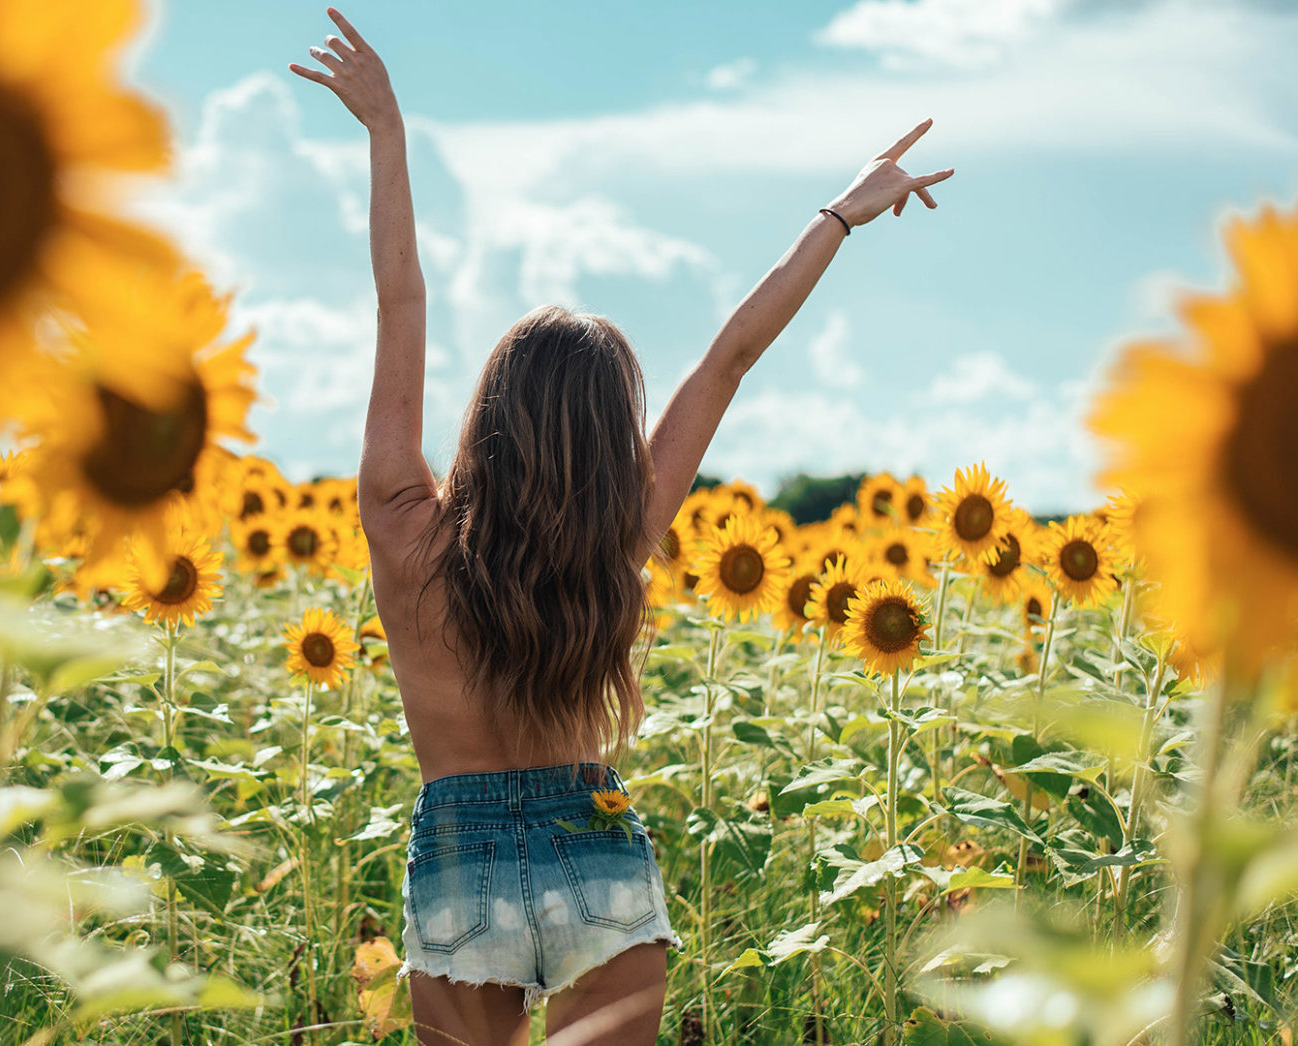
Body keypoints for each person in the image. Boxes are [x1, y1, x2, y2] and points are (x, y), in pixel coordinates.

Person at [290, 10, 953, 1044]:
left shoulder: (405, 530)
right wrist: (841, 214)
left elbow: (399, 302)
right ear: (610, 438)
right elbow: (729, 354)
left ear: (489, 417)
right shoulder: (618, 542)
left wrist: (387, 133)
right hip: (594, 850)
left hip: (461, 857)